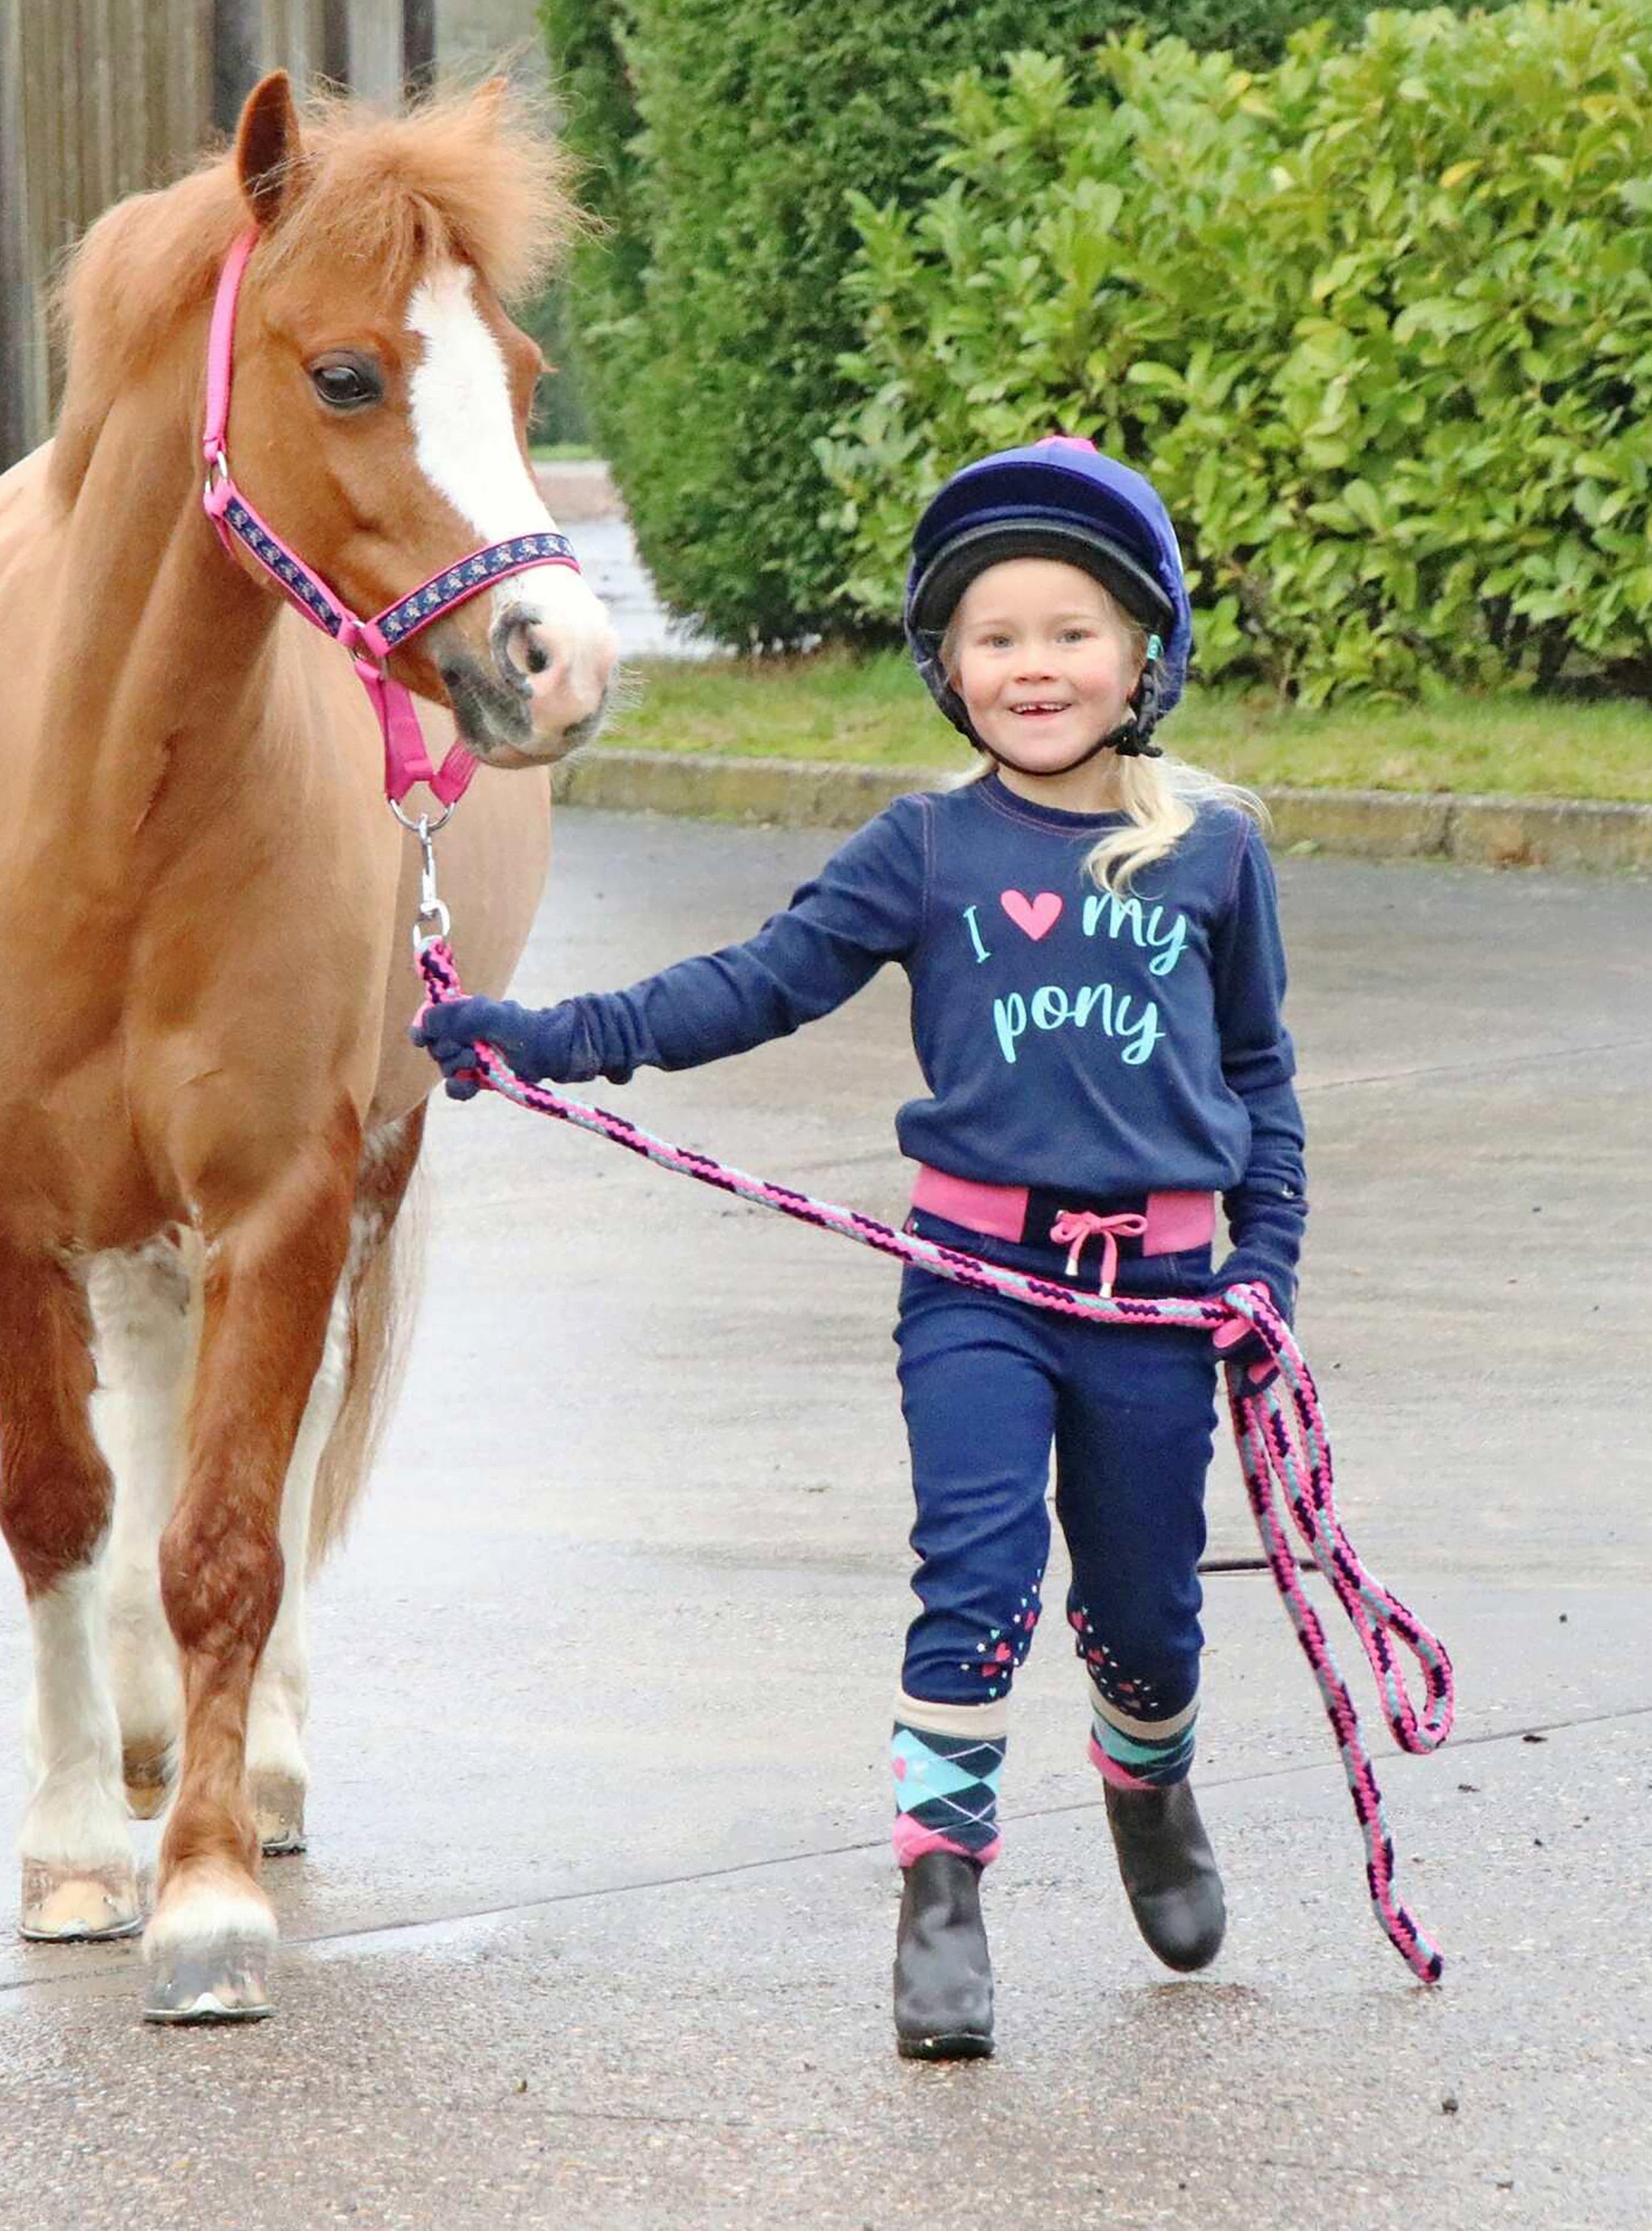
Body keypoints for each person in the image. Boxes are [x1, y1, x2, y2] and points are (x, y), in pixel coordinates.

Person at [412, 438, 1306, 2060]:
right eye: (995, 638)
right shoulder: (925, 851)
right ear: (948, 669)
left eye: (1070, 631)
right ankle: (942, 1898)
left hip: (1165, 1302)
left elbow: (1262, 1089)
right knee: (973, 1580)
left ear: (1146, 655)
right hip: (977, 1286)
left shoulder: (1214, 853)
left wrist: (1267, 1273)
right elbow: (744, 986)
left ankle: (1148, 1775)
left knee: (1147, 1612)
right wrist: (541, 1037)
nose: (1034, 667)